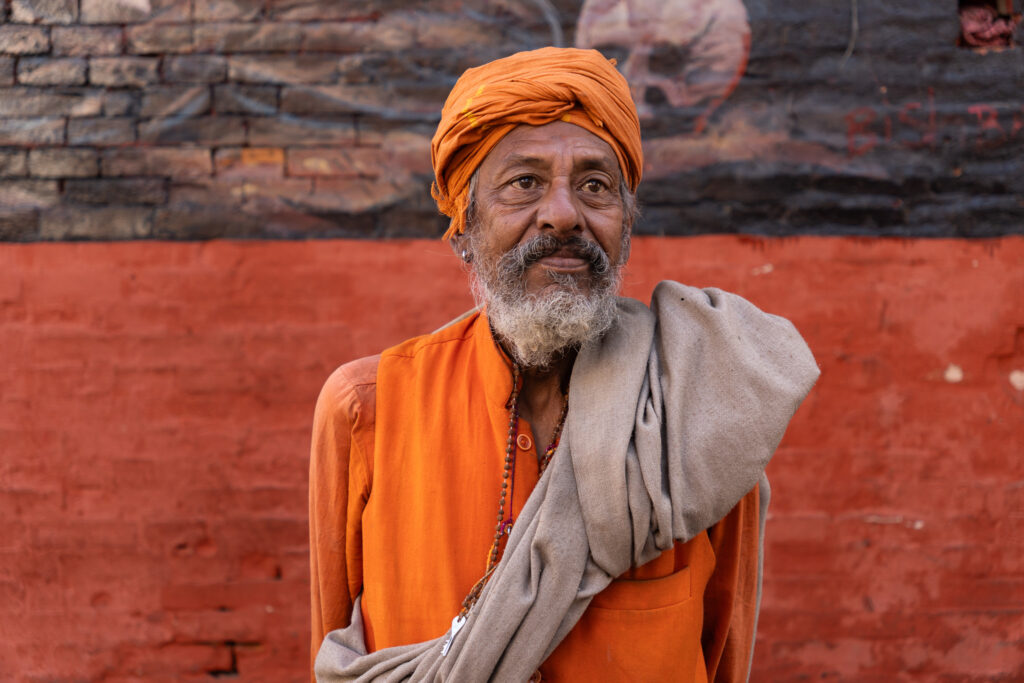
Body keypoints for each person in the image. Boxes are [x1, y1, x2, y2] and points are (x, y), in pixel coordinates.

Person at [309, 47, 819, 682]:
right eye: (524, 182)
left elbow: (723, 656)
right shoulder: (368, 409)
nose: (563, 214)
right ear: (464, 226)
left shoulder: (696, 415)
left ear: (624, 225)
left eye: (595, 186)